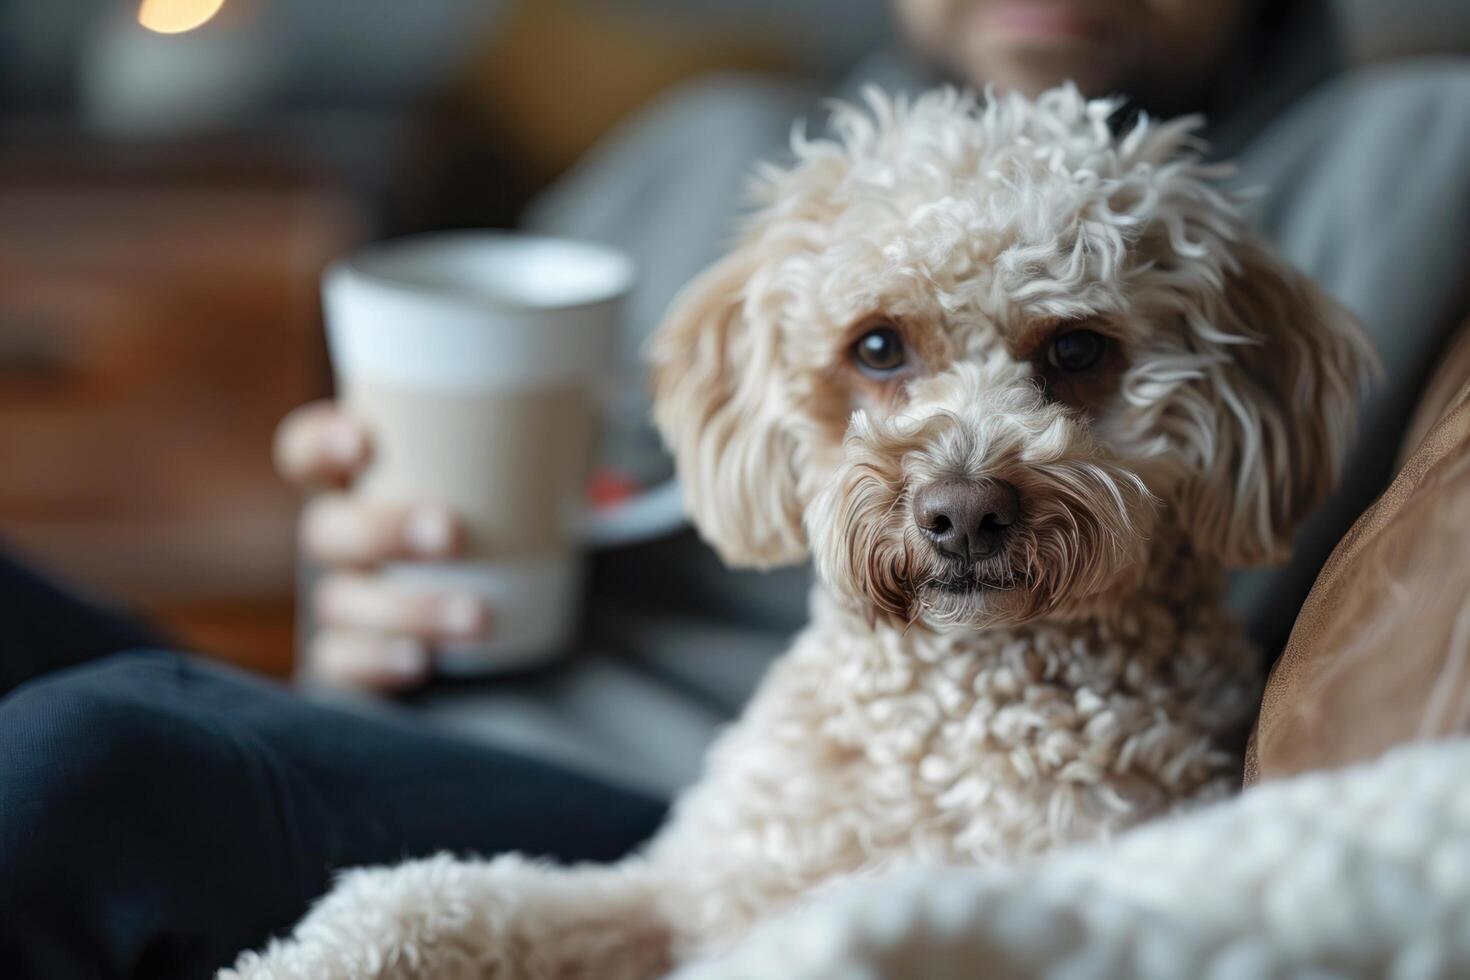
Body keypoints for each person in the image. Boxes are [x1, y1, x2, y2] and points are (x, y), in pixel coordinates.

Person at [2, 1, 1468, 975]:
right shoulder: (698, 156)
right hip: (365, 706)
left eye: (1071, 355)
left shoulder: (1388, 161)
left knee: (86, 757)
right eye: (880, 352)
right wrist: (352, 583)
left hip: (638, 802)